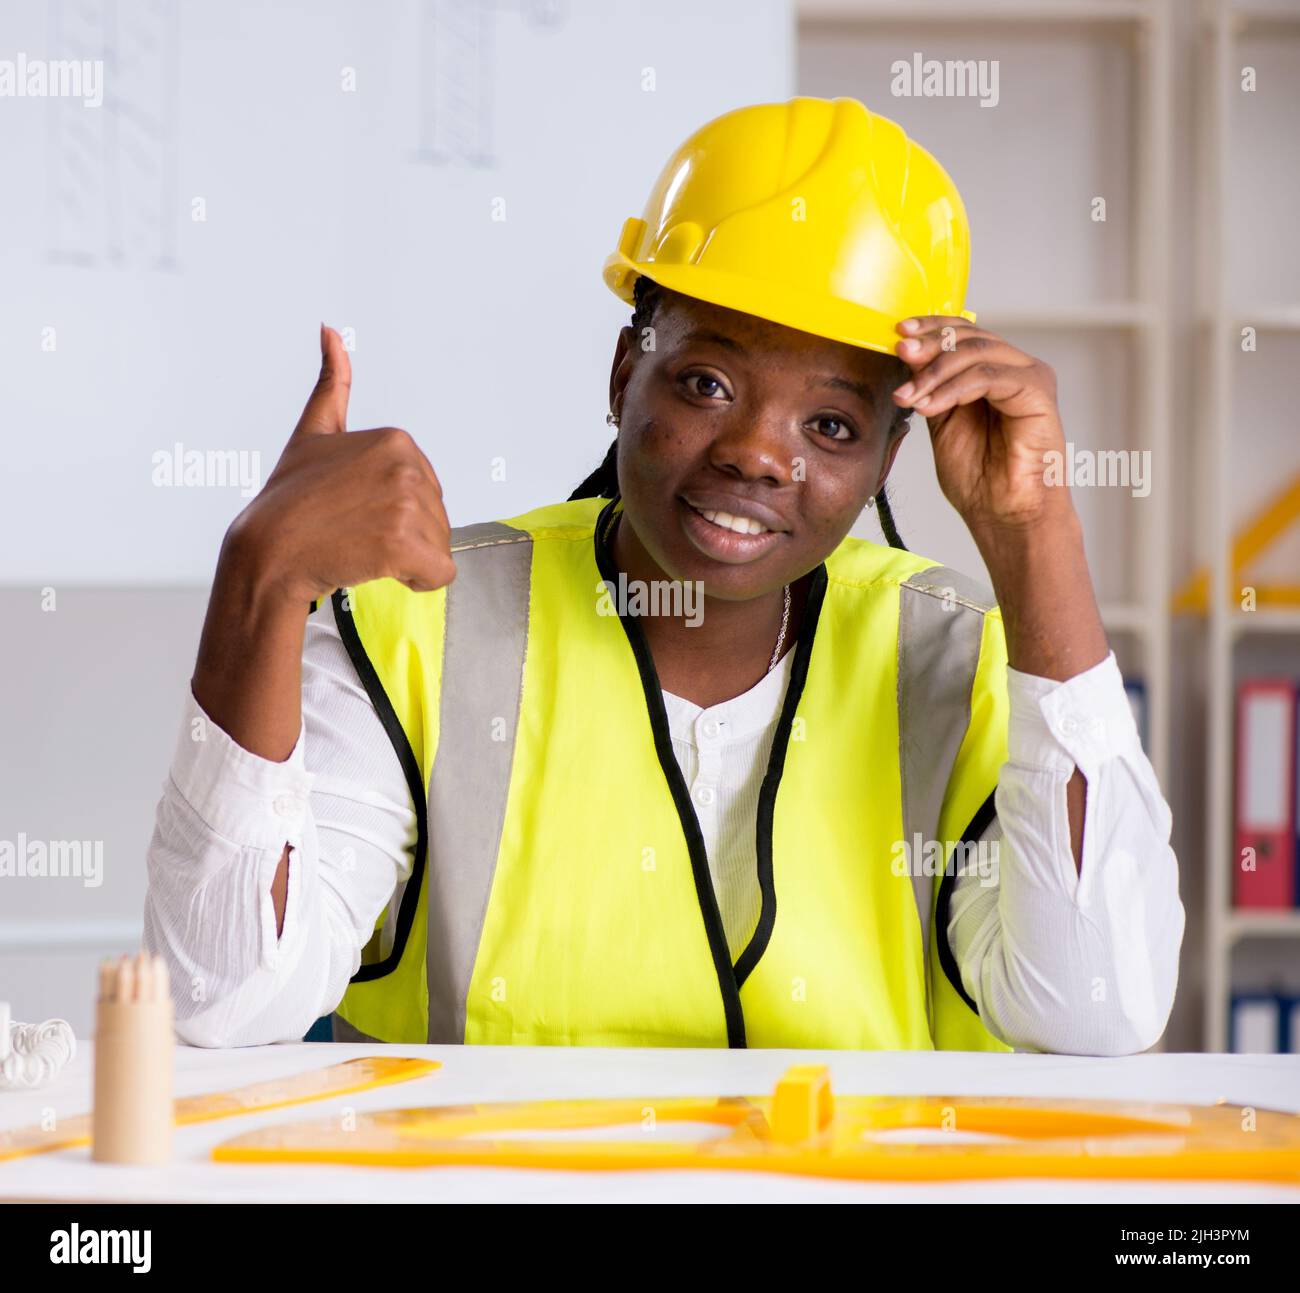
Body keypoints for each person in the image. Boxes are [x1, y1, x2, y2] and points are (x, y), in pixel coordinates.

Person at [144, 97, 1184, 1052]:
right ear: (622, 374)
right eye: (706, 381)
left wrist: (1033, 538)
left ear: (883, 460)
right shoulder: (419, 624)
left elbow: (1095, 1012)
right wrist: (260, 577)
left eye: (829, 423)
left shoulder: (959, 659)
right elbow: (224, 998)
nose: (758, 453)